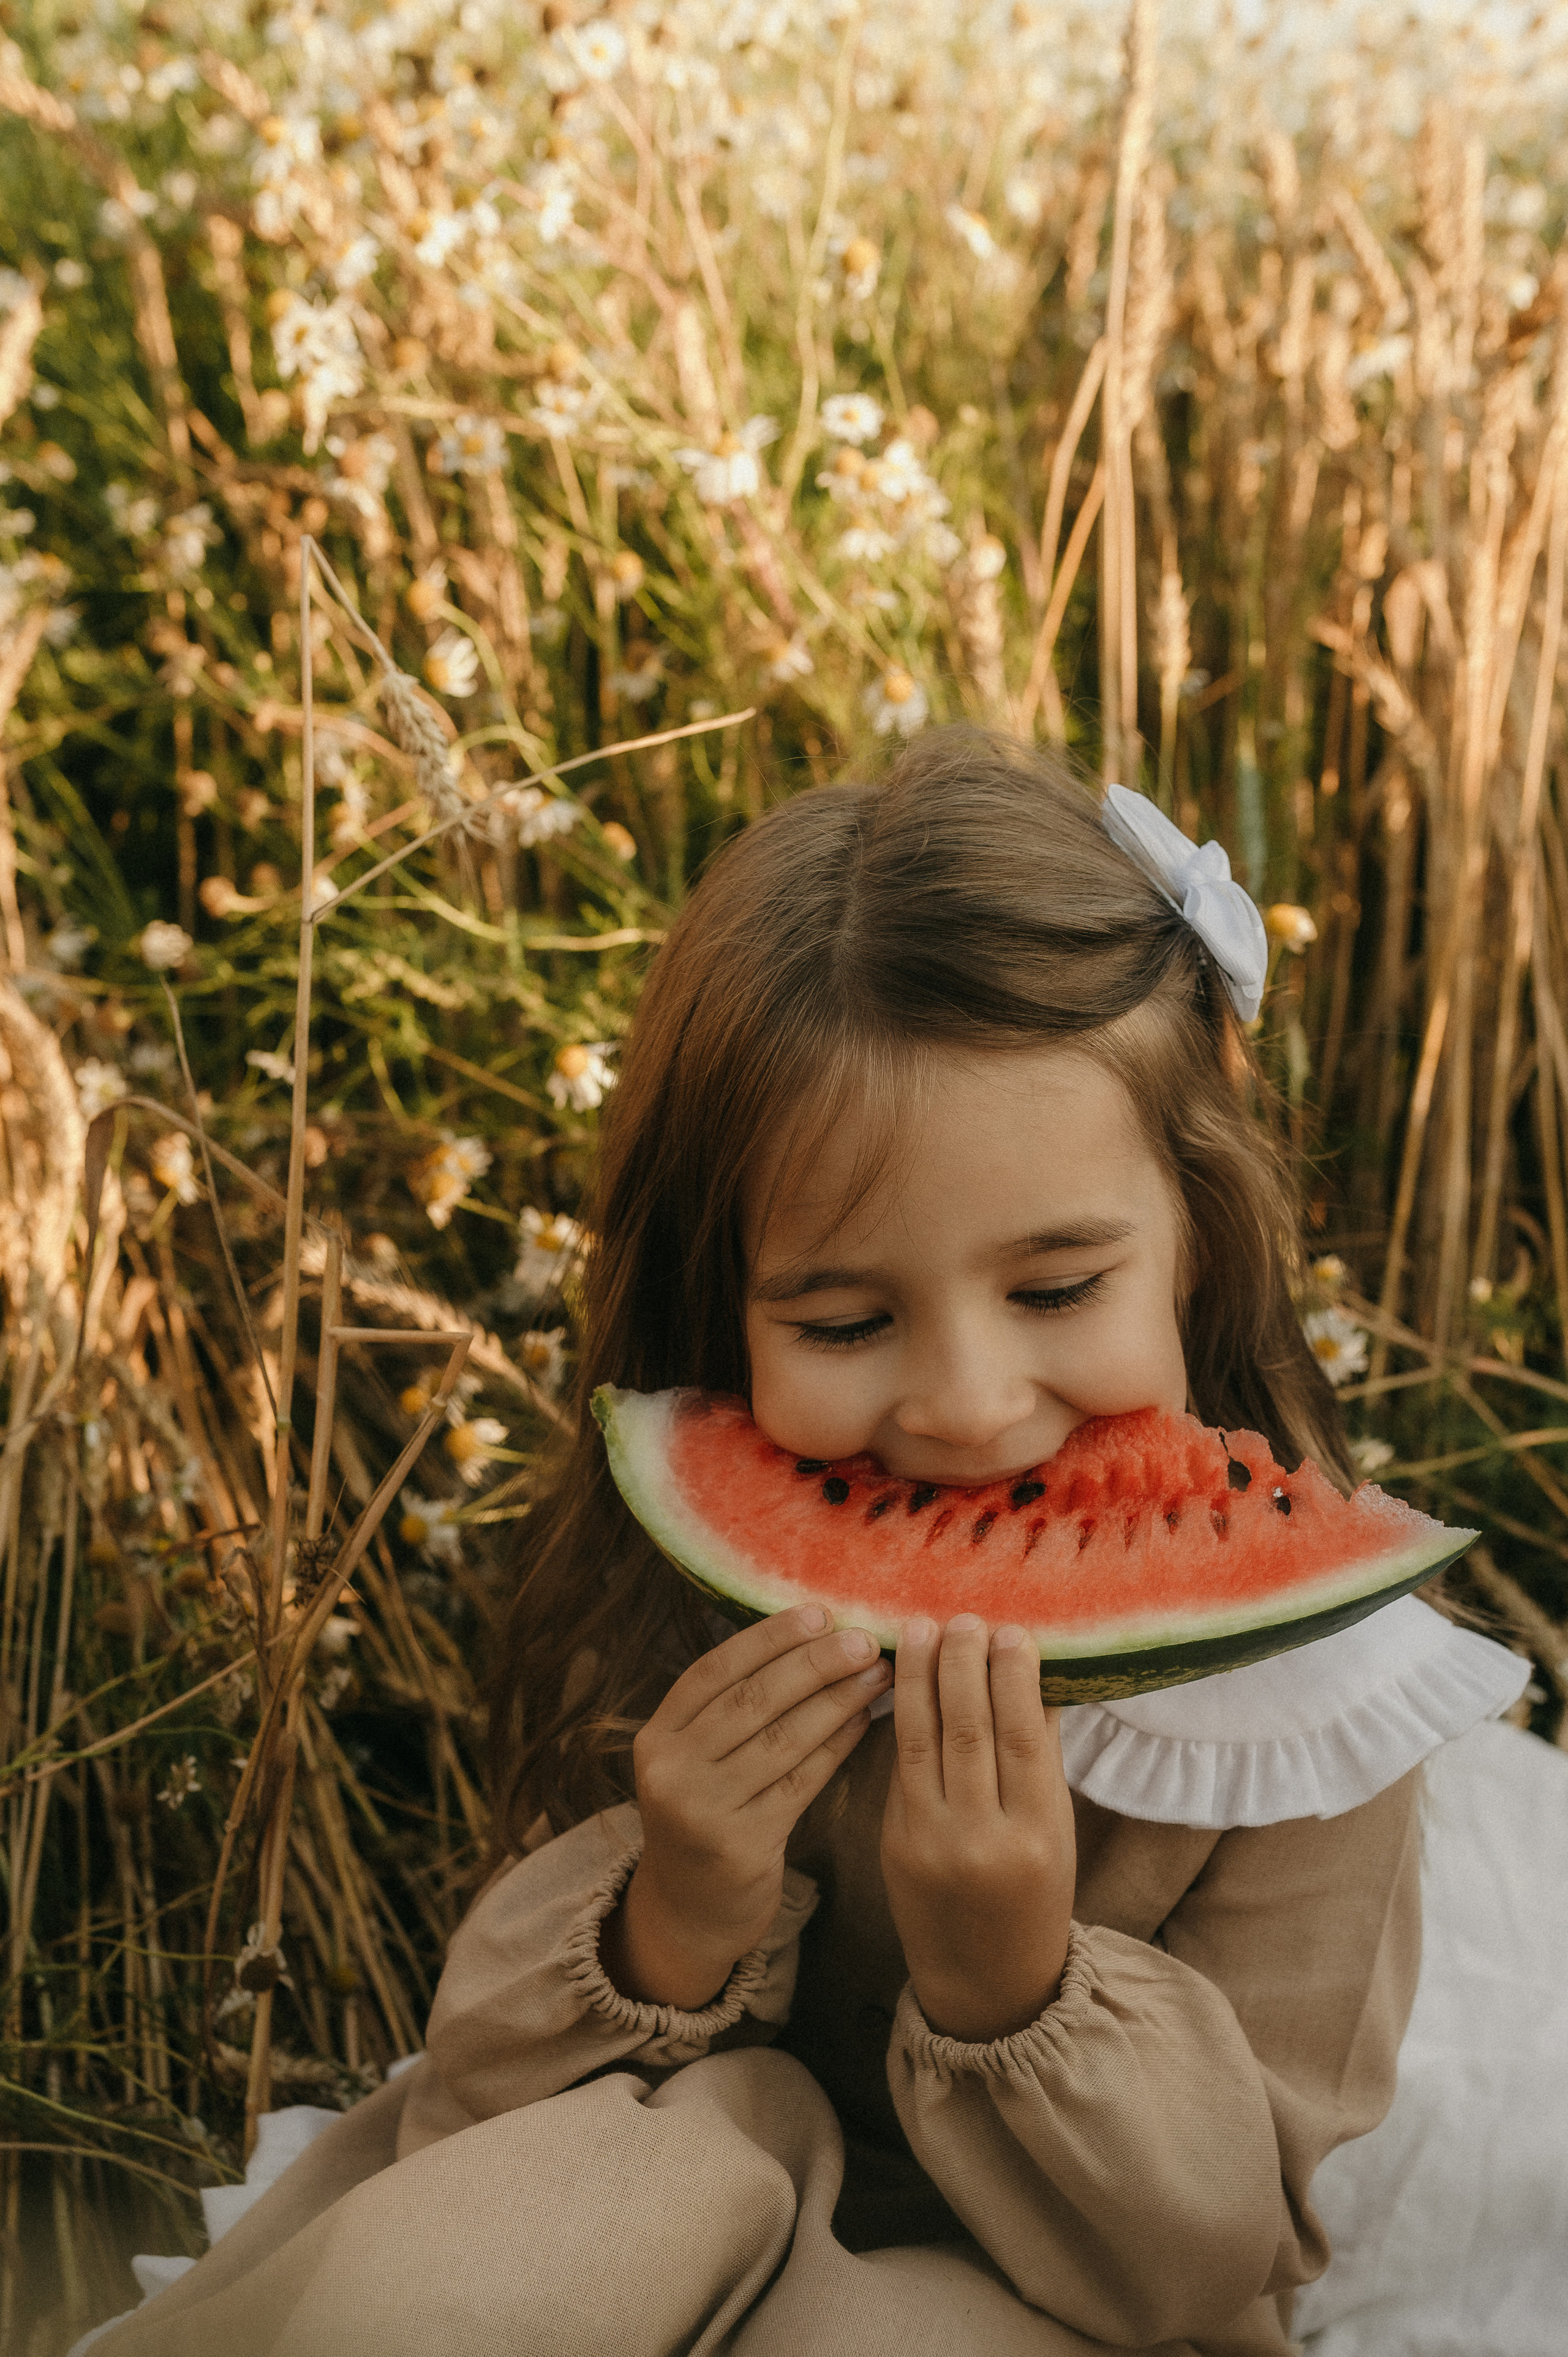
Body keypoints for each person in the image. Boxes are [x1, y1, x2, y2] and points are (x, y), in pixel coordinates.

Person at [88, 729, 1526, 2356]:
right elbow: (486, 2108)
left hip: (1062, 2308)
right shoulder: (683, 1582)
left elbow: (1214, 2260)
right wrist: (678, 1910)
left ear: (1197, 1243)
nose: (972, 1407)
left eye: (1057, 1291)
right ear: (724, 1316)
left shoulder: (1322, 1718)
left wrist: (1015, 1984)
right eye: (847, 1319)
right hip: (670, 2174)